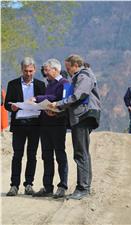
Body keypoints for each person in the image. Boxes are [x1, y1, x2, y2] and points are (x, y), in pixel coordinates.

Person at [47, 54, 101, 200]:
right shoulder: (83, 76)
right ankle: (84, 186)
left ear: (75, 65)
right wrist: (57, 113)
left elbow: (78, 96)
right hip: (80, 115)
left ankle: (83, 188)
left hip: (83, 117)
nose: (68, 71)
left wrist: (57, 104)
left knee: (80, 153)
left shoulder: (84, 76)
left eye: (68, 67)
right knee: (82, 152)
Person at [4, 57, 45, 196]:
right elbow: (6, 104)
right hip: (19, 124)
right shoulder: (13, 84)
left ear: (34, 70)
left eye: (31, 71)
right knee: (17, 155)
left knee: (32, 155)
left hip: (35, 124)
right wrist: (12, 107)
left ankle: (28, 184)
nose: (28, 74)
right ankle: (14, 185)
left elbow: (45, 102)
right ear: (21, 70)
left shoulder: (40, 85)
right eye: (26, 71)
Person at [31, 59, 69, 198]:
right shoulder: (50, 84)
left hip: (58, 124)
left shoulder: (64, 83)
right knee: (46, 155)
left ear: (55, 69)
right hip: (45, 124)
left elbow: (59, 98)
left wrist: (38, 98)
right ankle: (47, 187)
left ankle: (62, 186)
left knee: (60, 154)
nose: (45, 73)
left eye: (47, 70)